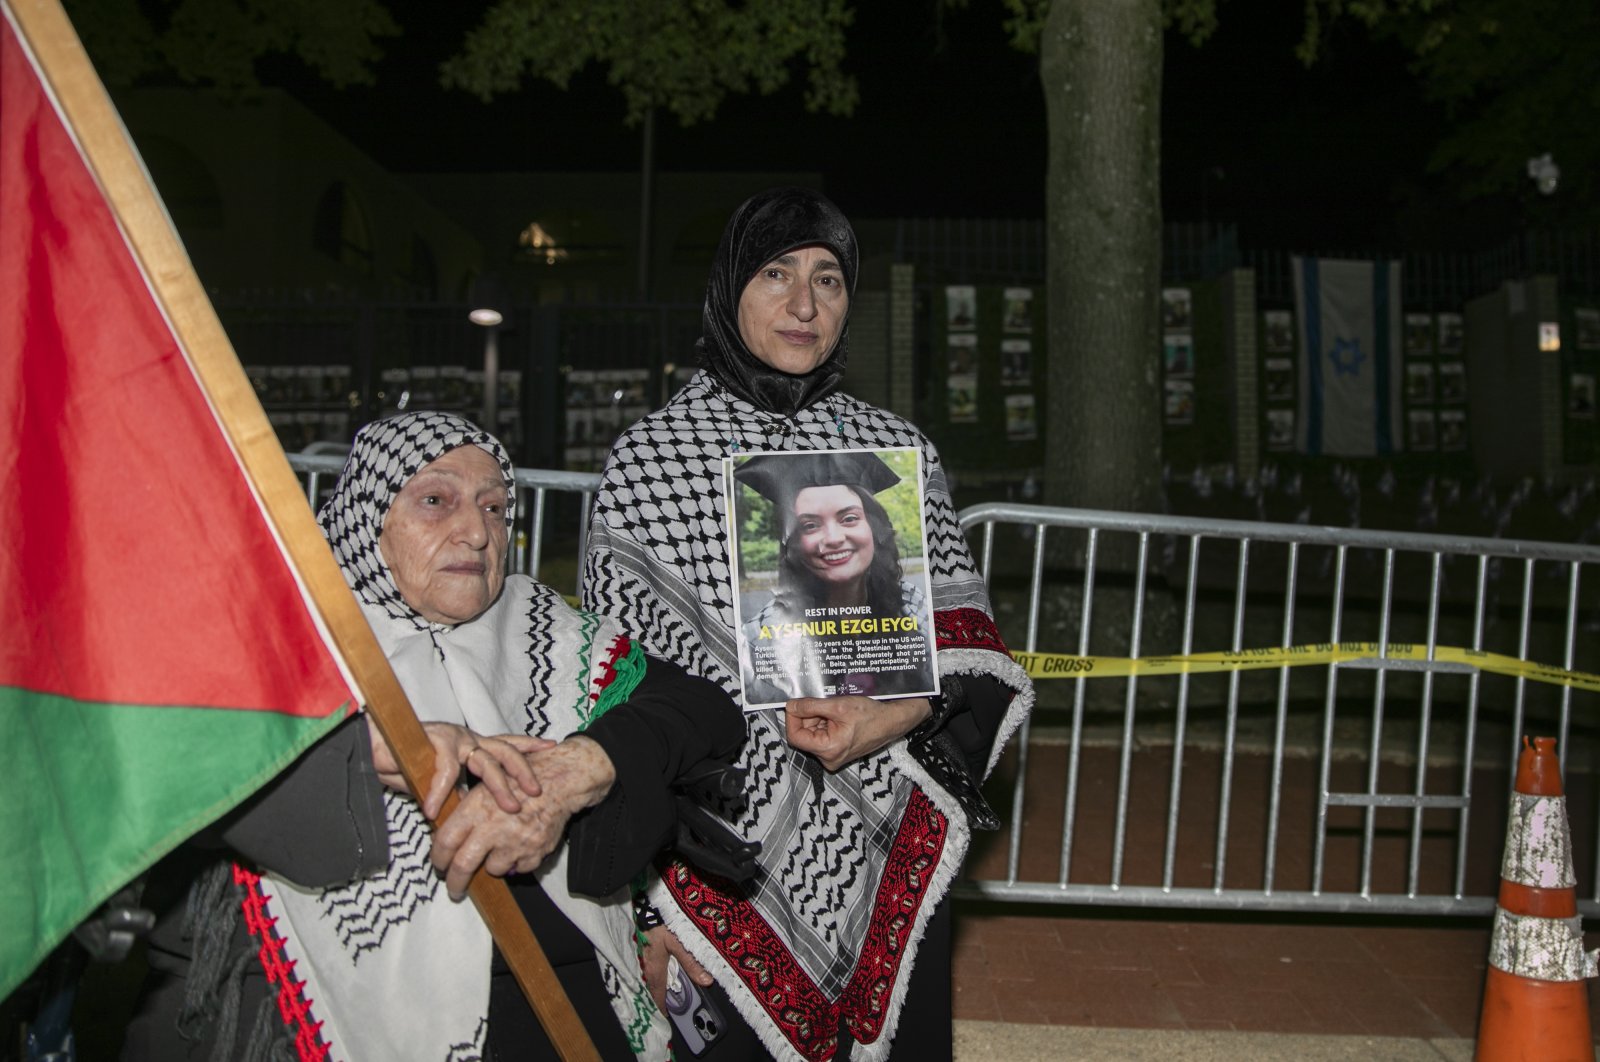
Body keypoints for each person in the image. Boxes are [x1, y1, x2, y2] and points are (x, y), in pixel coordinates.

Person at [122, 411, 748, 1062]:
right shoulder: (285, 641)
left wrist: (586, 763)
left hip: (557, 1000)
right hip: (317, 1008)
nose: (477, 532)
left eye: (496, 508)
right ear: (373, 522)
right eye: (434, 501)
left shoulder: (543, 629)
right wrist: (365, 747)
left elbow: (701, 710)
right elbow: (165, 758)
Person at [583, 187, 1034, 1061]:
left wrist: (897, 712)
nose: (804, 304)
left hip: (887, 834)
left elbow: (972, 644)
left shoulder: (894, 453)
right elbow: (614, 690)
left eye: (828, 279)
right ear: (728, 289)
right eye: (776, 273)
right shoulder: (650, 461)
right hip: (714, 864)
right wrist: (639, 905)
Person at [731, 450, 933, 704]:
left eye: (849, 518)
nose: (834, 538)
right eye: (810, 525)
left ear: (873, 527)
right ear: (791, 543)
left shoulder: (913, 606)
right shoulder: (761, 639)